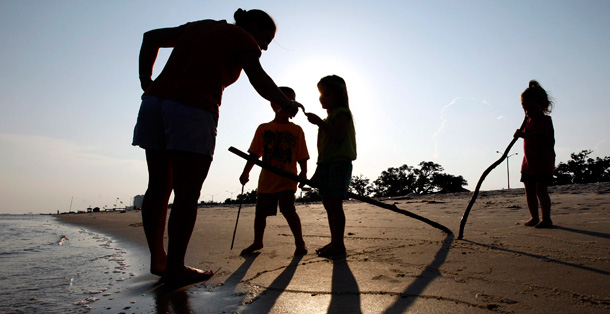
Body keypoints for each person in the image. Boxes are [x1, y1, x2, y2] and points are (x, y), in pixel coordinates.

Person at [132, 8, 301, 284]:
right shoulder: (242, 37)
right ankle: (175, 267)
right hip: (192, 108)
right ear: (252, 25)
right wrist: (285, 101)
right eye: (266, 37)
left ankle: (160, 259)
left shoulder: (200, 26)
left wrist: (146, 81)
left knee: (159, 185)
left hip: (154, 103)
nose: (266, 46)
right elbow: (258, 77)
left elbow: (150, 38)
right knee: (187, 191)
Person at [239, 86, 309, 256]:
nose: (288, 106)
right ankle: (258, 242)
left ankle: (300, 243)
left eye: (291, 102)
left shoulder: (296, 130)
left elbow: (302, 155)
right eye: (284, 101)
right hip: (267, 181)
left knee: (288, 209)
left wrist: (303, 173)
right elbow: (254, 154)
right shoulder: (263, 128)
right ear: (274, 104)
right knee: (261, 213)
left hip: (287, 179)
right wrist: (246, 172)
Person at [304, 75, 357, 258]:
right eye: (321, 94)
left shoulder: (342, 113)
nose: (322, 98)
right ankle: (335, 241)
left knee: (335, 205)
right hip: (327, 165)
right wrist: (316, 174)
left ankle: (339, 244)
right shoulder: (328, 120)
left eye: (327, 94)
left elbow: (338, 137)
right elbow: (324, 152)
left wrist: (319, 122)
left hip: (339, 164)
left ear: (339, 95)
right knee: (328, 204)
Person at [514, 80, 555, 229]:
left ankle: (546, 219)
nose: (527, 112)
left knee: (540, 190)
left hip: (543, 161)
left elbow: (538, 138)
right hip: (529, 162)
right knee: (529, 190)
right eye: (524, 108)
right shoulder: (528, 121)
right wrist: (521, 133)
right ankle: (534, 217)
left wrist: (522, 135)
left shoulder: (545, 121)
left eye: (531, 108)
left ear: (543, 105)